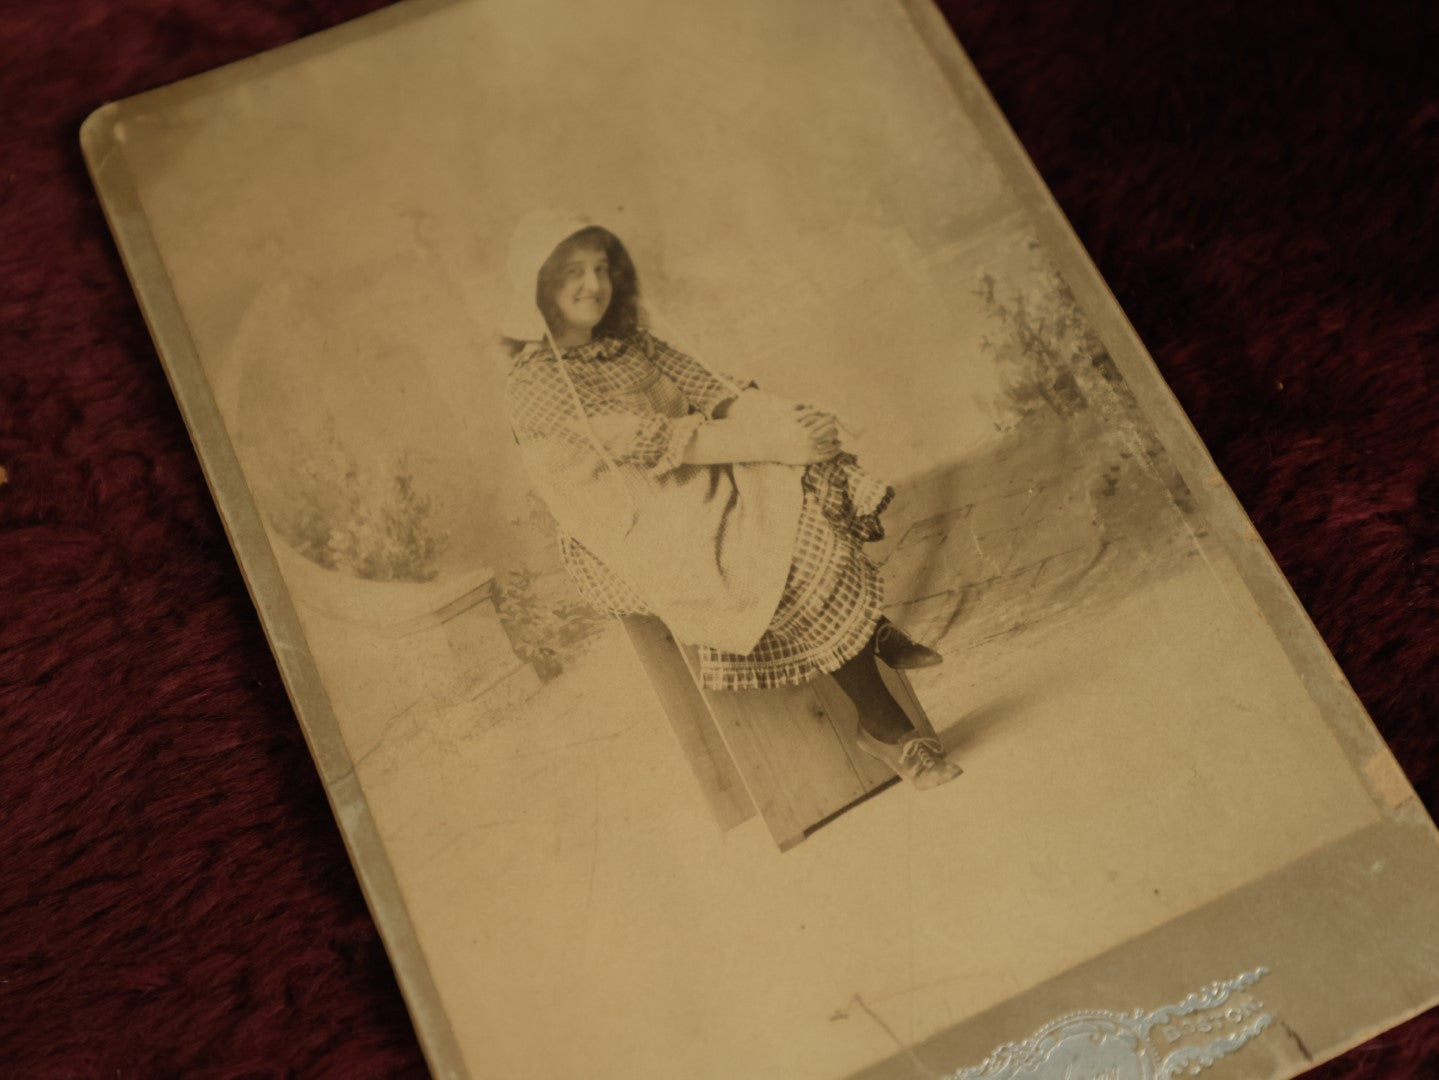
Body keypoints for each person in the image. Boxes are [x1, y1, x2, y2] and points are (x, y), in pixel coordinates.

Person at [501, 211, 960, 789]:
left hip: (696, 472)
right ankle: (885, 723)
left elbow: (715, 393)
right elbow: (649, 441)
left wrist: (791, 420)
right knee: (772, 546)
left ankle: (868, 638)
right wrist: (772, 440)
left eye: (600, 268)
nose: (593, 285)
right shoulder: (532, 383)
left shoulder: (631, 344)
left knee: (809, 462)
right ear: (538, 286)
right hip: (633, 515)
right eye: (572, 271)